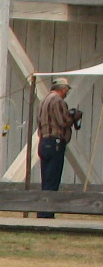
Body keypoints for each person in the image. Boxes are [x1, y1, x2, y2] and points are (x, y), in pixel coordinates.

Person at [35, 77, 79, 218]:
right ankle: (47, 214)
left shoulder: (43, 101)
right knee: (53, 179)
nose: (66, 93)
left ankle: (42, 211)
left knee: (46, 178)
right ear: (63, 89)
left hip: (44, 142)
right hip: (55, 142)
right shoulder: (58, 101)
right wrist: (75, 117)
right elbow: (63, 121)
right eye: (66, 90)